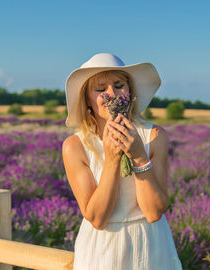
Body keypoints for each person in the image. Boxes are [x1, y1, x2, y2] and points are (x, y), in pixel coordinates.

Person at [62, 53, 183, 269]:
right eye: (100, 89)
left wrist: (138, 156)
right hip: (102, 250)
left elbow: (154, 212)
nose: (112, 94)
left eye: (119, 85)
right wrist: (112, 160)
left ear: (130, 91)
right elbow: (97, 218)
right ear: (87, 99)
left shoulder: (154, 136)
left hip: (149, 245)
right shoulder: (75, 146)